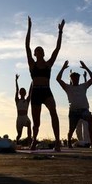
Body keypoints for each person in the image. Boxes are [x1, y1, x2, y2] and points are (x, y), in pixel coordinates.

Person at [26, 16, 64, 151]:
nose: (39, 51)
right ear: (35, 54)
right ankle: (34, 141)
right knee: (36, 122)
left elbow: (57, 49)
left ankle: (58, 142)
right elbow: (27, 46)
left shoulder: (48, 64)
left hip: (46, 91)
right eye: (37, 50)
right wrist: (29, 28)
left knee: (54, 112)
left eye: (41, 50)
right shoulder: (32, 64)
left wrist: (60, 32)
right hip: (36, 92)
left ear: (43, 53)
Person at [56, 60, 92, 148]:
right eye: (73, 78)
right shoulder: (68, 87)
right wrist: (63, 68)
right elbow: (58, 79)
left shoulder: (83, 86)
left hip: (84, 110)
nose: (75, 80)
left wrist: (86, 68)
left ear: (79, 79)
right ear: (71, 79)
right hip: (73, 111)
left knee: (90, 124)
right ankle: (69, 142)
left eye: (77, 78)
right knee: (71, 128)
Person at [14, 74, 32, 145]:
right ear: (19, 93)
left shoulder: (27, 100)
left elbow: (30, 91)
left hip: (25, 117)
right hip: (19, 118)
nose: (22, 92)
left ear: (25, 93)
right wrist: (16, 81)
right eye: (21, 91)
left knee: (29, 124)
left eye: (23, 91)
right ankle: (17, 142)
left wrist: (32, 82)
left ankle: (29, 142)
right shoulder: (17, 100)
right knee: (19, 134)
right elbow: (16, 89)